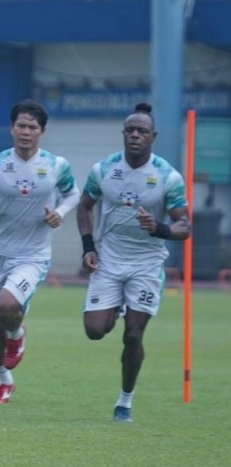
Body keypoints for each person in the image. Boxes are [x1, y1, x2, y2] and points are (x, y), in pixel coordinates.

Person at [0, 99, 79, 405]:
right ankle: (3, 379)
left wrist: (60, 213)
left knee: (6, 307)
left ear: (42, 131)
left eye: (33, 127)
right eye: (21, 126)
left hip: (33, 255)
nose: (26, 132)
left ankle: (17, 335)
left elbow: (72, 194)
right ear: (12, 129)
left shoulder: (56, 165)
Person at [76, 102, 190, 423]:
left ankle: (125, 400)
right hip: (109, 261)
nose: (135, 136)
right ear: (123, 134)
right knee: (95, 330)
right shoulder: (104, 170)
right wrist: (88, 247)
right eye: (130, 130)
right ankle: (117, 307)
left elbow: (185, 226)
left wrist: (161, 228)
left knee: (134, 336)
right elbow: (84, 207)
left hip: (146, 264)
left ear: (153, 136)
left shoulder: (168, 176)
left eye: (142, 131)